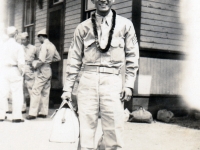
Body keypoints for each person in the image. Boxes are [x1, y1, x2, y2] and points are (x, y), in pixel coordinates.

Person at [61, 0, 139, 149]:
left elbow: (132, 57)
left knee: (114, 130)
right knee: (86, 130)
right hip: (88, 80)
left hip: (113, 80)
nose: (103, 0)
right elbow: (74, 59)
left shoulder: (125, 25)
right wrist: (67, 89)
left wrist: (128, 85)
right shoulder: (82, 27)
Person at [26, 28, 61, 120]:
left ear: (41, 37)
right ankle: (43, 112)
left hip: (42, 69)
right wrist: (48, 61)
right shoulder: (52, 45)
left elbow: (41, 59)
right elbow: (58, 58)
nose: (39, 40)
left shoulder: (44, 46)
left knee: (35, 90)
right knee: (45, 91)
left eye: (39, 38)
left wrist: (35, 65)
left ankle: (33, 113)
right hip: (48, 69)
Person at [0, 26, 25, 123]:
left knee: (2, 93)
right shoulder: (18, 46)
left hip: (3, 70)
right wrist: (22, 71)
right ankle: (16, 116)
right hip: (14, 69)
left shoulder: (2, 46)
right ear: (16, 34)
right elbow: (21, 62)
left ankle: (1, 115)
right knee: (17, 93)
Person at [21, 32, 37, 113]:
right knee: (21, 89)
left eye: (24, 39)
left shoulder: (33, 48)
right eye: (22, 40)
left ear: (28, 39)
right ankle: (23, 107)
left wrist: (34, 65)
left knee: (31, 88)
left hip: (29, 69)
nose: (23, 41)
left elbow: (37, 58)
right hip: (20, 69)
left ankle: (33, 108)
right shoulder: (19, 48)